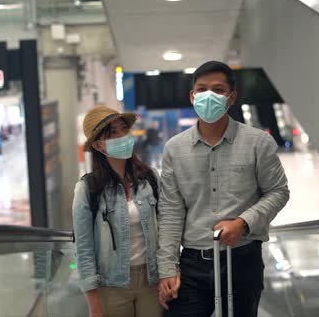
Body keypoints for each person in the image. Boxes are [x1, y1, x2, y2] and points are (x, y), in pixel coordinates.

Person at [157, 61, 290, 317]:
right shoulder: (174, 149)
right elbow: (171, 211)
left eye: (218, 90)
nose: (209, 95)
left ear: (231, 98)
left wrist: (243, 222)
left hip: (242, 260)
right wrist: (167, 268)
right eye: (202, 89)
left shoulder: (258, 142)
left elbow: (278, 191)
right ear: (192, 96)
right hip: (192, 264)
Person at [73, 105, 177, 317]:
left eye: (123, 129)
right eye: (112, 133)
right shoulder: (88, 189)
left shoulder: (150, 179)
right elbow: (83, 249)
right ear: (98, 145)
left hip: (151, 280)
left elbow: (167, 227)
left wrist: (169, 271)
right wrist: (93, 303)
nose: (122, 136)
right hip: (111, 286)